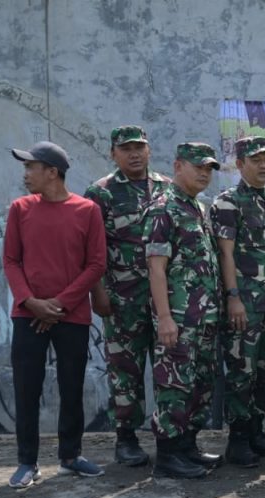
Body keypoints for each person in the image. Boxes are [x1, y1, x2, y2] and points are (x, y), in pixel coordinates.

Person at [4, 142, 107, 488]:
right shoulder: (20, 209)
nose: (25, 174)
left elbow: (95, 264)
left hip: (72, 315)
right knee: (26, 388)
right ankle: (27, 462)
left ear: (52, 172)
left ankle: (70, 457)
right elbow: (11, 260)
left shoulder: (87, 210)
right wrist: (31, 302)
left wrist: (58, 305)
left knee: (72, 386)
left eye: (30, 167)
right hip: (28, 314)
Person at [84, 125, 171, 467]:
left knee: (168, 370)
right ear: (113, 153)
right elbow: (92, 251)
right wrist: (98, 293)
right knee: (125, 372)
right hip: (122, 299)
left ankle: (169, 437)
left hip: (163, 299)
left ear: (149, 150)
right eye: (126, 149)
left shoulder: (167, 189)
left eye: (140, 147)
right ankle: (126, 438)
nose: (134, 154)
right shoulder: (101, 193)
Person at [212, 136, 265, 465]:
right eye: (255, 160)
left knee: (262, 372)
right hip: (243, 305)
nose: (262, 165)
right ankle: (238, 439)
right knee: (240, 372)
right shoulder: (227, 203)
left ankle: (257, 432)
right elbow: (225, 254)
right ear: (240, 164)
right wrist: (233, 298)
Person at [145, 143, 223, 479]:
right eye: (198, 167)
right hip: (177, 318)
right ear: (178, 166)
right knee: (174, 386)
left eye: (209, 168)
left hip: (202, 318)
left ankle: (188, 446)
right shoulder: (164, 208)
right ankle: (168, 456)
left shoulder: (197, 208)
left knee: (199, 385)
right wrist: (164, 317)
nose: (204, 173)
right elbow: (156, 268)